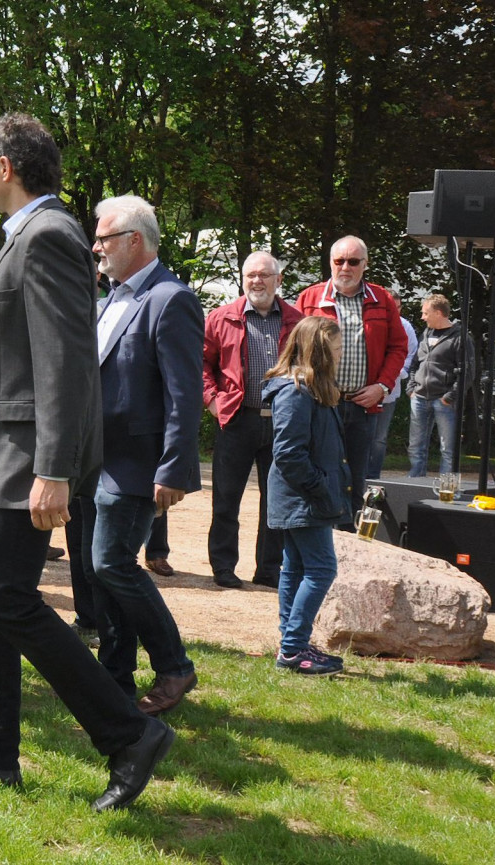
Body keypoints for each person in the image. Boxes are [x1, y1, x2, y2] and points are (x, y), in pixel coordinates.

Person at [0, 114, 172, 812]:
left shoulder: (49, 234)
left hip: (25, 462)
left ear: (5, 165)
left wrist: (53, 468)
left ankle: (129, 733)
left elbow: (66, 363)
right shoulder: (23, 234)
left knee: (8, 600)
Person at [86, 194, 205, 715]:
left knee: (112, 563)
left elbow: (184, 394)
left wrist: (174, 467)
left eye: (104, 239)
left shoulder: (170, 299)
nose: (96, 247)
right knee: (100, 570)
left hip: (137, 464)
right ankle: (113, 675)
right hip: (96, 461)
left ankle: (175, 666)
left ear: (134, 240)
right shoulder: (112, 298)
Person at [202, 251, 302, 590]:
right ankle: (223, 566)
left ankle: (269, 569)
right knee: (226, 498)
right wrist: (212, 399)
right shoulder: (221, 318)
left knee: (276, 500)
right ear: (243, 280)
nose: (257, 281)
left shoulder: (297, 321)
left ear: (279, 280)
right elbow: (201, 363)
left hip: (283, 423)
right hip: (236, 419)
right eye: (251, 275)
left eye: (264, 275)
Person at [295, 236, 408, 525]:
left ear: (365, 264)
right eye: (339, 261)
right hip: (321, 404)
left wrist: (382, 387)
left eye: (353, 261)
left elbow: (398, 347)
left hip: (362, 405)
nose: (345, 267)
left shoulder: (382, 299)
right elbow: (294, 348)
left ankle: (350, 539)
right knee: (320, 473)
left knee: (356, 479)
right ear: (331, 262)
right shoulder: (309, 298)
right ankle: (320, 538)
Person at [263, 316, 351, 674]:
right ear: (320, 352)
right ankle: (292, 648)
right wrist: (321, 488)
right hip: (303, 497)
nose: (341, 354)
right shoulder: (295, 391)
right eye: (337, 348)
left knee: (296, 567)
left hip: (305, 496)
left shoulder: (310, 388)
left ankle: (291, 643)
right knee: (321, 569)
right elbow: (288, 454)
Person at [408, 293, 472, 477]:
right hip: (419, 397)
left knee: (448, 449)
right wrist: (411, 388)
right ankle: (415, 483)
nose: (422, 317)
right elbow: (415, 363)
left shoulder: (460, 338)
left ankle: (447, 487)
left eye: (425, 313)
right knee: (415, 446)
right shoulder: (425, 333)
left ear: (438, 313)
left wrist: (450, 397)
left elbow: (468, 371)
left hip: (444, 401)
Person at [365, 317, 418, 477]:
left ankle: (374, 476)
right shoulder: (368, 319)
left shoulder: (404, 325)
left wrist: (397, 372)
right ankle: (356, 476)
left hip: (389, 392)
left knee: (379, 438)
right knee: (358, 435)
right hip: (363, 390)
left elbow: (410, 354)